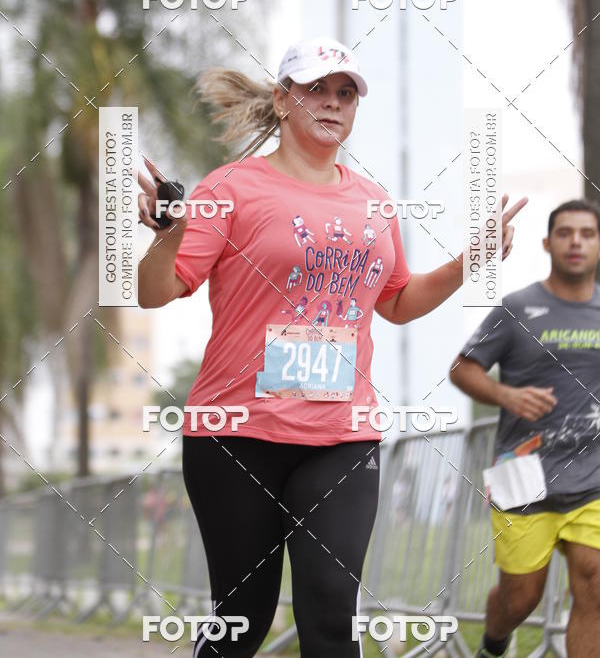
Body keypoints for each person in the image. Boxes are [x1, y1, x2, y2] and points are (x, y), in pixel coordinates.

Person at [137, 36, 525, 657]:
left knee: (330, 615)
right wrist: (169, 234)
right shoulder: (230, 188)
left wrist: (468, 260)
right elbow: (157, 292)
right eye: (317, 88)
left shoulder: (372, 201)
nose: (333, 102)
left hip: (342, 435)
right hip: (236, 434)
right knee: (244, 618)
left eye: (346, 93)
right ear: (284, 100)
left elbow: (397, 303)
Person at [450, 200, 600, 658]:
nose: (576, 241)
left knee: (594, 584)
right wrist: (507, 396)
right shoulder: (517, 308)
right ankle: (494, 644)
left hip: (593, 478)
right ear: (547, 243)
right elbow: (462, 368)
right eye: (566, 233)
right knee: (521, 597)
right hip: (525, 475)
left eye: (588, 233)